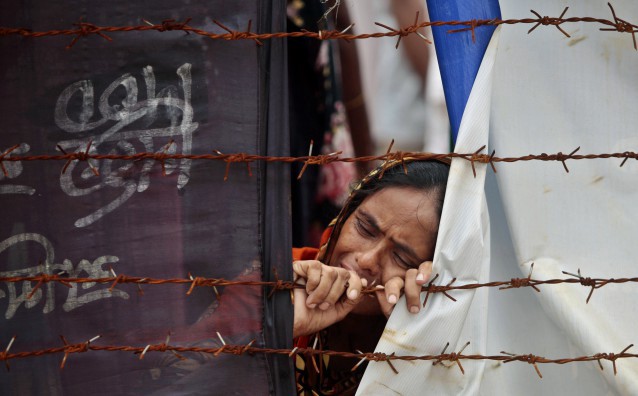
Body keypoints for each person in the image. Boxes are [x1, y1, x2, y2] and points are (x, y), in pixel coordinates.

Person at [292, 159, 450, 394]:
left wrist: (414, 340)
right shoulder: (278, 277)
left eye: (402, 258)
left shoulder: (444, 352)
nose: (367, 261)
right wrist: (281, 322)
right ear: (344, 216)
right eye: (365, 228)